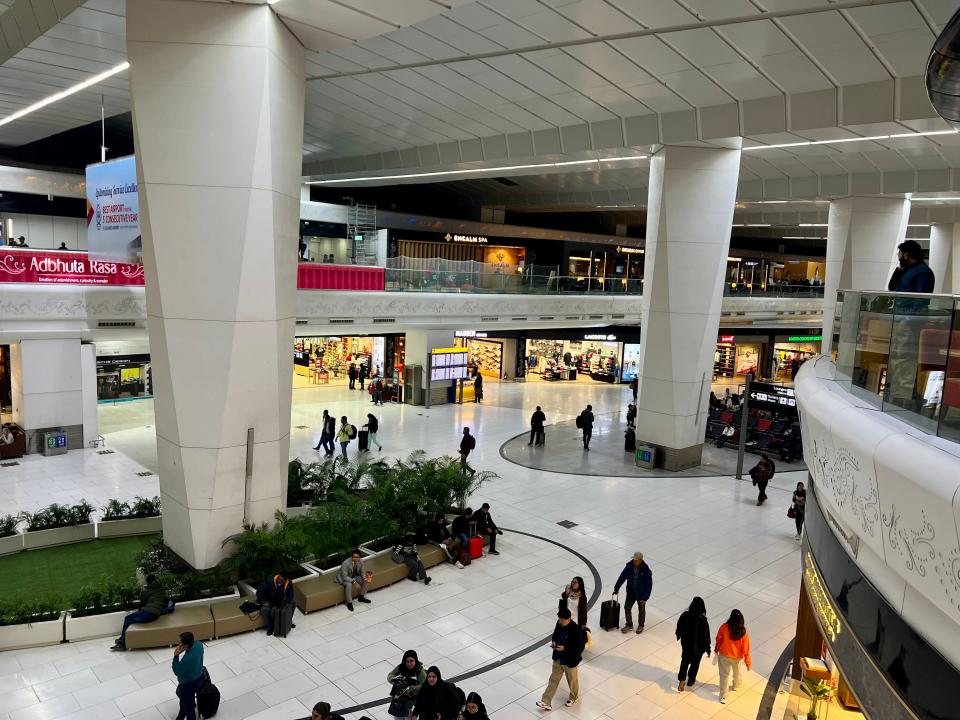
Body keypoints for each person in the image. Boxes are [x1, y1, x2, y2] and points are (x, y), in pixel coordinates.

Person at [535, 607, 584, 710]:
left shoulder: (575, 630)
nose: (560, 622)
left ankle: (574, 697)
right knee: (553, 680)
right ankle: (546, 701)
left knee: (572, 680)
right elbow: (556, 634)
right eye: (559, 619)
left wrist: (565, 648)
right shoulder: (559, 623)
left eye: (562, 620)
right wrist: (554, 641)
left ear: (568, 619)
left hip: (569, 660)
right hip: (558, 658)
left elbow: (579, 646)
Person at [112, 573, 166, 650]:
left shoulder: (147, 591)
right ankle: (122, 639)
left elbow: (142, 602)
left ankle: (123, 644)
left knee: (128, 620)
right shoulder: (161, 589)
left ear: (148, 582)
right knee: (128, 619)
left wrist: (142, 591)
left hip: (149, 613)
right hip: (153, 612)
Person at [715, 609, 752, 704]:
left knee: (724, 675)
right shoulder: (743, 632)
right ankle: (736, 685)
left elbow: (718, 639)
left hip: (724, 655)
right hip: (737, 657)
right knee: (737, 672)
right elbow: (746, 648)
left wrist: (716, 650)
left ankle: (723, 696)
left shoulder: (724, 627)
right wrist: (748, 662)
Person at [675, 596, 711, 692]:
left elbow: (679, 626)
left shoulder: (685, 615)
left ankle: (682, 679)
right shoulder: (703, 620)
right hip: (698, 648)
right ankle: (690, 680)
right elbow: (706, 636)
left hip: (686, 645)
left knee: (685, 662)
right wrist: (708, 649)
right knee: (695, 664)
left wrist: (679, 635)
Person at [613, 552, 653, 634]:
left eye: (636, 560)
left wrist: (645, 597)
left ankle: (641, 625)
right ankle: (629, 624)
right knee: (627, 607)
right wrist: (616, 588)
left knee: (641, 610)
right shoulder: (629, 566)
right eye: (634, 559)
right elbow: (622, 577)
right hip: (631, 592)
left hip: (641, 594)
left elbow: (649, 585)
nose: (634, 561)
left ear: (641, 560)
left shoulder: (645, 570)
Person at [172, 631, 204, 720]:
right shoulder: (199, 645)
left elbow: (176, 671)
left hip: (187, 685)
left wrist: (176, 656)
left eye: (180, 642)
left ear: (185, 645)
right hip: (199, 678)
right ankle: (180, 717)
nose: (178, 643)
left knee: (189, 710)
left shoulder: (187, 660)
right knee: (185, 702)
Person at [387, 650, 426, 720]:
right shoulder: (400, 667)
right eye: (407, 661)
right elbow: (390, 675)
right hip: (399, 702)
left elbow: (425, 685)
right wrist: (394, 680)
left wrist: (412, 688)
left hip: (411, 704)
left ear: (415, 660)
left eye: (411, 661)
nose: (409, 663)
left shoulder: (420, 671)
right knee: (398, 718)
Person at [256, 572, 294, 636]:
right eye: (279, 578)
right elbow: (259, 592)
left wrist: (283, 605)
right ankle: (271, 627)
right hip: (269, 601)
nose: (279, 581)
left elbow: (290, 596)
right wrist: (263, 602)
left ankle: (287, 622)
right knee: (264, 610)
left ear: (285, 580)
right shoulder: (269, 581)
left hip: (280, 601)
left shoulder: (289, 583)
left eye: (282, 580)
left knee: (293, 603)